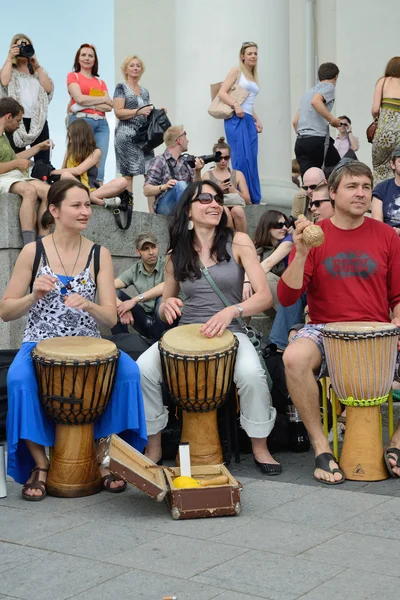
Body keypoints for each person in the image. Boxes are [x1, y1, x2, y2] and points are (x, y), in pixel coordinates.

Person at [0, 179, 147, 500]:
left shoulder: (99, 254)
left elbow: (109, 318)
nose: (85, 212)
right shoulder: (32, 251)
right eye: (76, 205)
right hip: (39, 344)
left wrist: (90, 305)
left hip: (90, 346)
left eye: (87, 205)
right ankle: (40, 465)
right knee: (18, 379)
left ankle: (103, 457)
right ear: (54, 210)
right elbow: (6, 311)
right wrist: (32, 295)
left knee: (129, 373)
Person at [137, 180, 280, 474]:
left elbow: (264, 296)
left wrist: (233, 310)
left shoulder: (238, 241)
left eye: (217, 198)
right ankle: (154, 444)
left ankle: (260, 446)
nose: (214, 203)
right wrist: (166, 307)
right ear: (188, 210)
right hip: (186, 334)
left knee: (252, 375)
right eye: (204, 198)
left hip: (232, 333)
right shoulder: (176, 252)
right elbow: (166, 305)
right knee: (142, 370)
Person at [278, 160, 400, 484]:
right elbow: (287, 297)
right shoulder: (314, 238)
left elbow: (398, 297)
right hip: (325, 329)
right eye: (351, 186)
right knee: (293, 357)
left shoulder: (388, 236)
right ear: (332, 193)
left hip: (377, 331)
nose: (361, 193)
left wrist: (397, 325)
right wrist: (301, 251)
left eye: (365, 187)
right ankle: (321, 447)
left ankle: (398, 443)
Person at [269, 184, 334, 353]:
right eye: (311, 204)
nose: (312, 208)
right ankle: (281, 344)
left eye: (318, 204)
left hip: (325, 301)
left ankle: (280, 346)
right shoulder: (302, 234)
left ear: (335, 199)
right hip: (299, 293)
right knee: (292, 284)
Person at [0, 97, 51, 245]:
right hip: (4, 178)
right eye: (18, 120)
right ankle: (29, 246)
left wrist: (39, 147)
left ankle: (43, 243)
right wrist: (16, 163)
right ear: (8, 117)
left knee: (50, 192)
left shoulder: (3, 137)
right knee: (29, 191)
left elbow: (13, 158)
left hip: (14, 176)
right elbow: (13, 161)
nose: (18, 125)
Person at [217, 42, 262, 203]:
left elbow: (247, 102)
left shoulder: (252, 75)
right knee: (241, 157)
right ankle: (240, 193)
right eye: (249, 53)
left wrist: (256, 119)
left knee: (252, 157)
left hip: (248, 118)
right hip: (236, 118)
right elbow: (222, 93)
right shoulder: (236, 71)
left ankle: (252, 196)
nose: (253, 56)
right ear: (243, 56)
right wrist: (235, 105)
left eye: (255, 53)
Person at [0, 34, 53, 164]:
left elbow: (48, 88)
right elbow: (4, 81)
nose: (23, 48)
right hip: (17, 120)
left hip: (38, 120)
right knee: (17, 159)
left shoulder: (37, 71)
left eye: (26, 45)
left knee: (43, 161)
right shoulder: (10, 69)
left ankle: (42, 181)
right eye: (20, 45)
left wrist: (38, 66)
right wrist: (10, 57)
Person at [50, 119, 127, 208]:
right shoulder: (69, 151)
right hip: (73, 188)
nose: (70, 141)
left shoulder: (96, 152)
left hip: (92, 189)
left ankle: (89, 197)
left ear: (80, 136)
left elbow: (79, 170)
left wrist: (52, 171)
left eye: (72, 137)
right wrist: (58, 172)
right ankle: (99, 201)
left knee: (123, 181)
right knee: (65, 175)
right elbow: (63, 171)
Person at [67, 44, 113, 185]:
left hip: (101, 123)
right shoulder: (73, 76)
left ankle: (97, 185)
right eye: (84, 55)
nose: (87, 58)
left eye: (90, 55)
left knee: (101, 156)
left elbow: (109, 106)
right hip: (81, 121)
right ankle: (76, 184)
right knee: (79, 155)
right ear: (78, 59)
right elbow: (79, 98)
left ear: (95, 60)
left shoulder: (100, 82)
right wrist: (101, 100)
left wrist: (87, 103)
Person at [112, 232, 170, 340]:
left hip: (167, 324)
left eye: (153, 247)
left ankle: (158, 344)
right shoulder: (135, 269)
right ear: (138, 252)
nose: (151, 252)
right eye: (145, 249)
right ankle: (122, 343)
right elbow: (108, 286)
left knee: (162, 299)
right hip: (145, 321)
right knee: (114, 295)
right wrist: (122, 307)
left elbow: (166, 286)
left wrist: (134, 300)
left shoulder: (167, 263)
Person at [114, 55, 156, 195]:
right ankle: (128, 212)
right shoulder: (121, 87)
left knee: (151, 174)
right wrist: (138, 111)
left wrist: (157, 113)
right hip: (126, 134)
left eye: (138, 65)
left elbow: (146, 113)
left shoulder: (144, 91)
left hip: (144, 136)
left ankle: (154, 214)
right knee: (128, 175)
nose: (135, 68)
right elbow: (118, 112)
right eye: (132, 65)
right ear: (125, 69)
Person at [293, 62, 341, 177]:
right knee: (338, 170)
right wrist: (332, 120)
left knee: (309, 178)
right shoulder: (329, 87)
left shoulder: (308, 92)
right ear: (335, 77)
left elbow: (295, 121)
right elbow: (316, 101)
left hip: (301, 141)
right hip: (317, 139)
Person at [143, 125, 204, 215]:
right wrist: (164, 187)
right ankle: (190, 216)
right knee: (180, 185)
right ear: (179, 140)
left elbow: (196, 189)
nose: (188, 140)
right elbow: (146, 190)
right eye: (185, 135)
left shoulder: (186, 161)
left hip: (183, 205)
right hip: (165, 206)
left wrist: (197, 172)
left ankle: (188, 214)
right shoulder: (160, 160)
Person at [202, 136, 250, 232]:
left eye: (226, 157)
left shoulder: (237, 174)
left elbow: (248, 200)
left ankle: (242, 241)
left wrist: (235, 191)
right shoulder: (207, 175)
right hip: (216, 206)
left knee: (238, 211)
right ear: (214, 157)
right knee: (225, 211)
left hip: (235, 204)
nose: (223, 161)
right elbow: (202, 197)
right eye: (220, 158)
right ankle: (230, 240)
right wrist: (217, 190)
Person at [251, 210, 292, 312]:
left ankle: (289, 318)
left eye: (286, 224)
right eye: (279, 225)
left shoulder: (290, 240)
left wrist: (247, 281)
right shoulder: (259, 246)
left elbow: (267, 264)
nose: (285, 228)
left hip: (291, 301)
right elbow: (251, 267)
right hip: (271, 304)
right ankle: (240, 325)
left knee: (265, 276)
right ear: (268, 227)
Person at [371, 57, 400, 185]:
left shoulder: (382, 82)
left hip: (384, 133)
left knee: (379, 168)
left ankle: (379, 199)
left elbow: (375, 109)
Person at [372, 146, 400, 234]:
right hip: (387, 235)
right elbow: (377, 221)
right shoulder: (381, 188)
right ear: (392, 164)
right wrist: (389, 233)